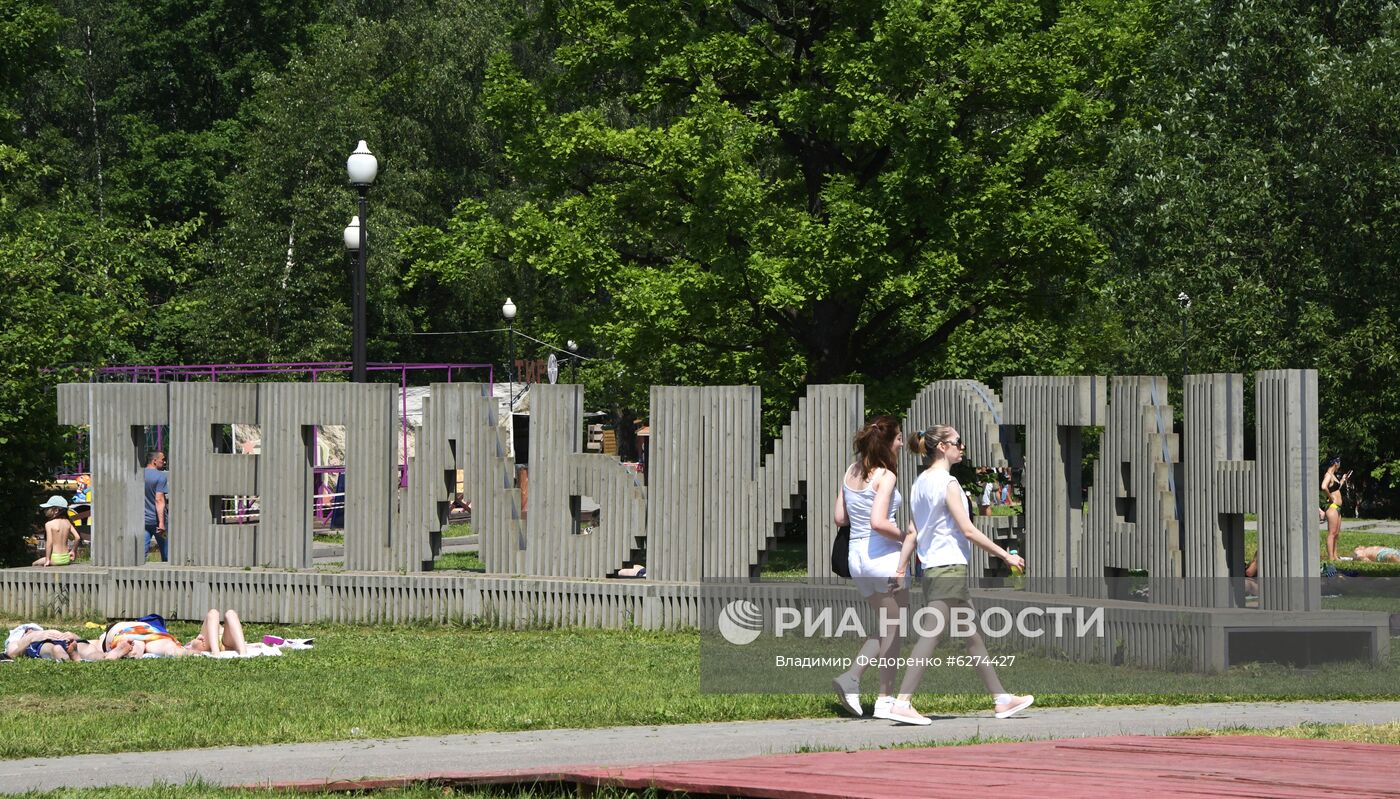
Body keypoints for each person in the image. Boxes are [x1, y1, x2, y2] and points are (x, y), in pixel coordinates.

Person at [887, 425, 1032, 725]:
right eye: (958, 442)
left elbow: (914, 531)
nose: (962, 447)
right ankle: (902, 702)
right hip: (948, 567)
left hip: (933, 568)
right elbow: (967, 530)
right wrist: (1005, 555)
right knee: (931, 633)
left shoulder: (919, 483)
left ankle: (1001, 699)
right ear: (942, 447)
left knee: (972, 636)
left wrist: (902, 568)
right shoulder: (947, 482)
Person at [831, 416, 911, 720]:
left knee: (886, 626)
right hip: (884, 558)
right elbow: (879, 523)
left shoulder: (851, 472)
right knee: (895, 630)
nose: (902, 442)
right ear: (888, 442)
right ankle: (884, 700)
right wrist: (907, 537)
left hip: (857, 559)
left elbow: (840, 518)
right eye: (899, 437)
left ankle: (851, 677)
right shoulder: (885, 475)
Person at [103, 609, 250, 657]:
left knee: (140, 645)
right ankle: (241, 653)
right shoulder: (155, 629)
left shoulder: (117, 629)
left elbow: (96, 643)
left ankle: (131, 651)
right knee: (167, 646)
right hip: (226, 644)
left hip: (123, 634)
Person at [33, 496, 81, 567]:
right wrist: (73, 551)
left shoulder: (49, 524)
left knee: (34, 564)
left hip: (55, 558)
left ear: (56, 510)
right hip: (66, 558)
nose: (45, 510)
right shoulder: (67, 522)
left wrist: (48, 559)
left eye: (47, 508)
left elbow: (49, 543)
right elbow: (77, 537)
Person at [1322, 457, 1351, 561]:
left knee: (1336, 534)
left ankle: (1335, 556)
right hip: (1333, 508)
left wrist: (1343, 480)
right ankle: (1330, 558)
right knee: (1331, 533)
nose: (1339, 465)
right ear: (1335, 463)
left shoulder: (1333, 476)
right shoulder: (1328, 475)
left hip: (1338, 508)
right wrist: (1330, 498)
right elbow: (1324, 486)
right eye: (1339, 463)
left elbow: (1336, 489)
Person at [143, 451, 170, 561]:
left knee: (140, 556)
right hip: (158, 524)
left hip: (142, 522)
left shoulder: (137, 475)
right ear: (154, 461)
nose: (164, 462)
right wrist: (162, 523)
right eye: (162, 459)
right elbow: (159, 500)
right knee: (167, 554)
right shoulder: (160, 477)